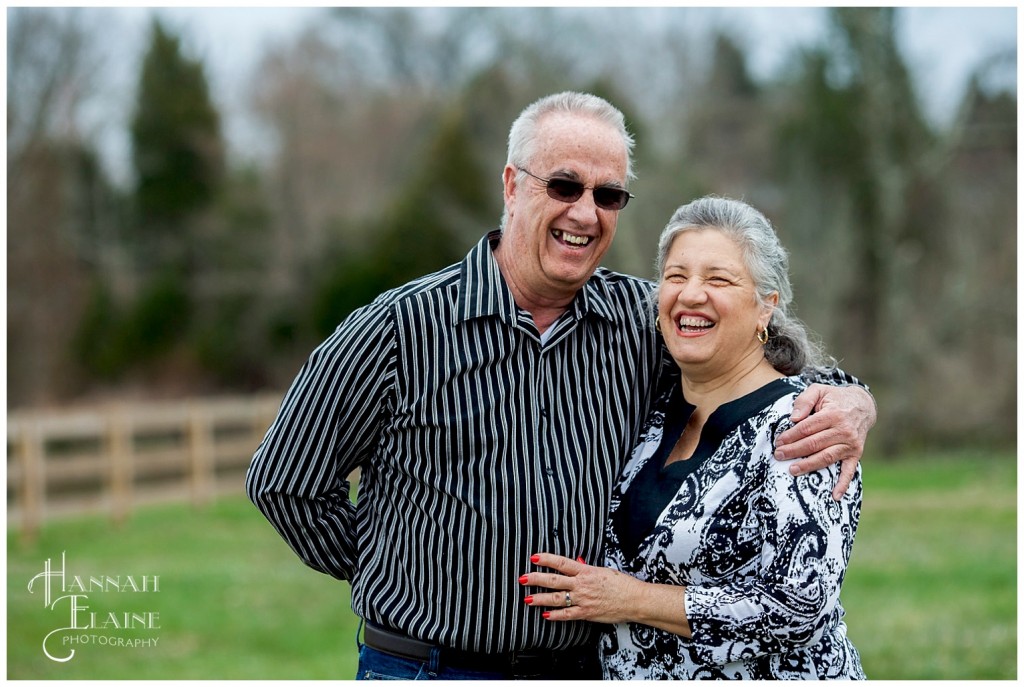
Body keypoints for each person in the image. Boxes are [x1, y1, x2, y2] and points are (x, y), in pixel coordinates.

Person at [246, 92, 876, 680]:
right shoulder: (400, 328)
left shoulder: (639, 319)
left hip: (579, 668)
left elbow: (748, 361)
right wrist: (394, 570)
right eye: (565, 185)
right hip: (430, 667)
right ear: (512, 185)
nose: (585, 212)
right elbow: (284, 480)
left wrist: (853, 399)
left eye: (608, 195)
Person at [522, 196, 866, 679]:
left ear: (766, 305)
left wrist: (627, 597)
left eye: (719, 279)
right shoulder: (654, 410)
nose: (691, 295)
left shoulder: (806, 424)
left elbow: (798, 608)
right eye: (676, 276)